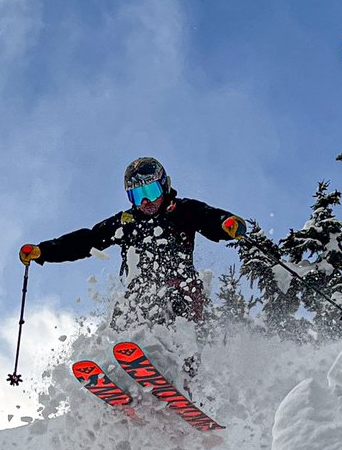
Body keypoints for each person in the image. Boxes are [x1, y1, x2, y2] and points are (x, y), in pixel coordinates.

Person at [20, 157, 246, 380]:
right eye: (137, 196)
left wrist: (226, 223)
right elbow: (87, 240)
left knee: (181, 305)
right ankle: (122, 369)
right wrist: (44, 251)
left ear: (164, 186)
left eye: (151, 192)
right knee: (126, 307)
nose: (146, 201)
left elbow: (209, 218)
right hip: (142, 293)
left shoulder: (183, 210)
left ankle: (187, 374)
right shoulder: (127, 222)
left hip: (181, 288)